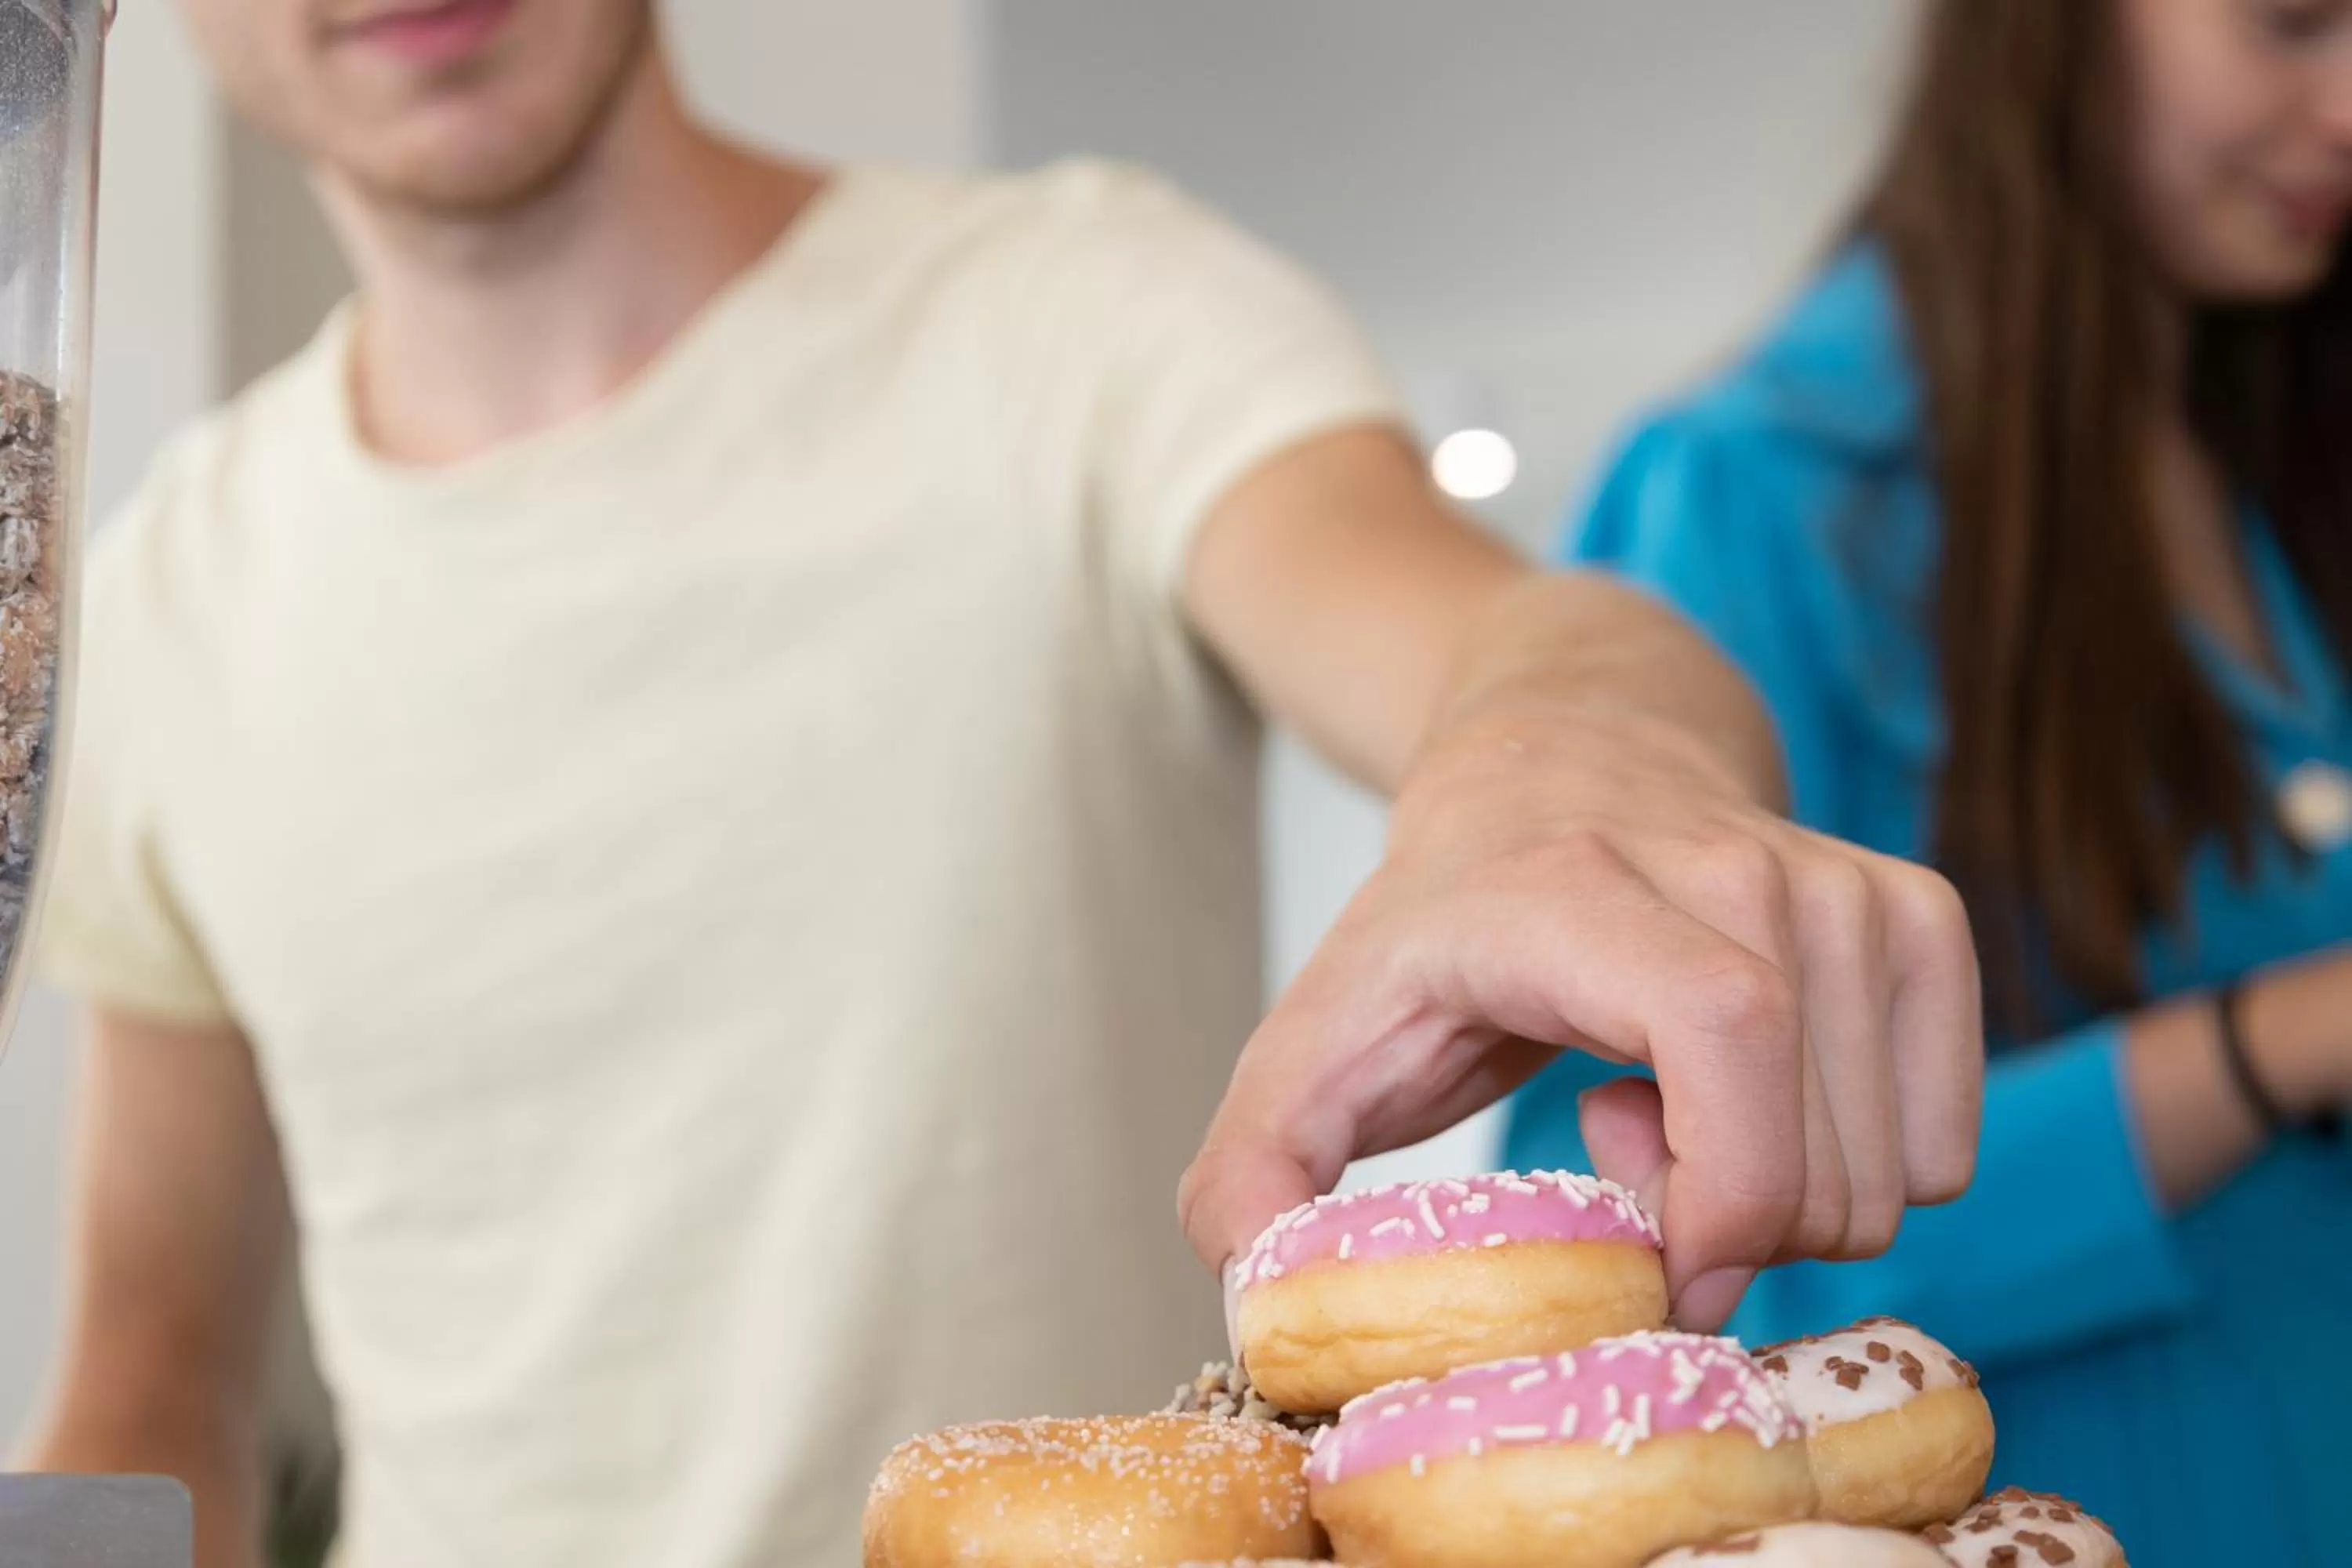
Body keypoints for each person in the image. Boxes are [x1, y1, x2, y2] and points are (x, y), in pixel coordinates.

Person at [14, 4, 1983, 1566]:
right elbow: (156, 1379)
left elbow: (1516, 640)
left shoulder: (1084, 318)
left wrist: (1567, 773)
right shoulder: (161, 588)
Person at [1506, 0, 2352, 1559]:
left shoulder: (2269, 465)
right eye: (2291, 20)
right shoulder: (1755, 495)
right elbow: (1633, 1252)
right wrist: (2264, 1046)